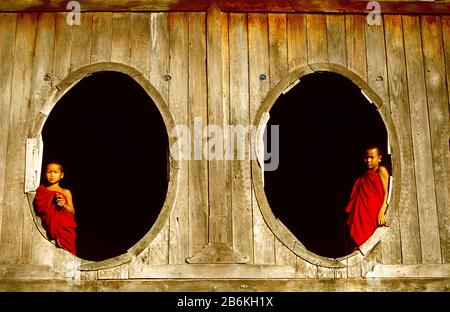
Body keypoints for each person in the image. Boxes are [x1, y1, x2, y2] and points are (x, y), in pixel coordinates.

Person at [345, 145, 389, 252]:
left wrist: (382, 212)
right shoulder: (363, 178)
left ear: (379, 158)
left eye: (372, 157)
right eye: (366, 157)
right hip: (363, 215)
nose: (368, 160)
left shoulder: (381, 170)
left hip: (374, 214)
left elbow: (387, 192)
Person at [33, 162, 77, 255]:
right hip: (49, 227)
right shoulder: (41, 192)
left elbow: (72, 211)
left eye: (55, 172)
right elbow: (39, 208)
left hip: (65, 229)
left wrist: (63, 204)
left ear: (62, 175)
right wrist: (52, 200)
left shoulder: (65, 192)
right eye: (49, 172)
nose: (52, 175)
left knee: (68, 253)